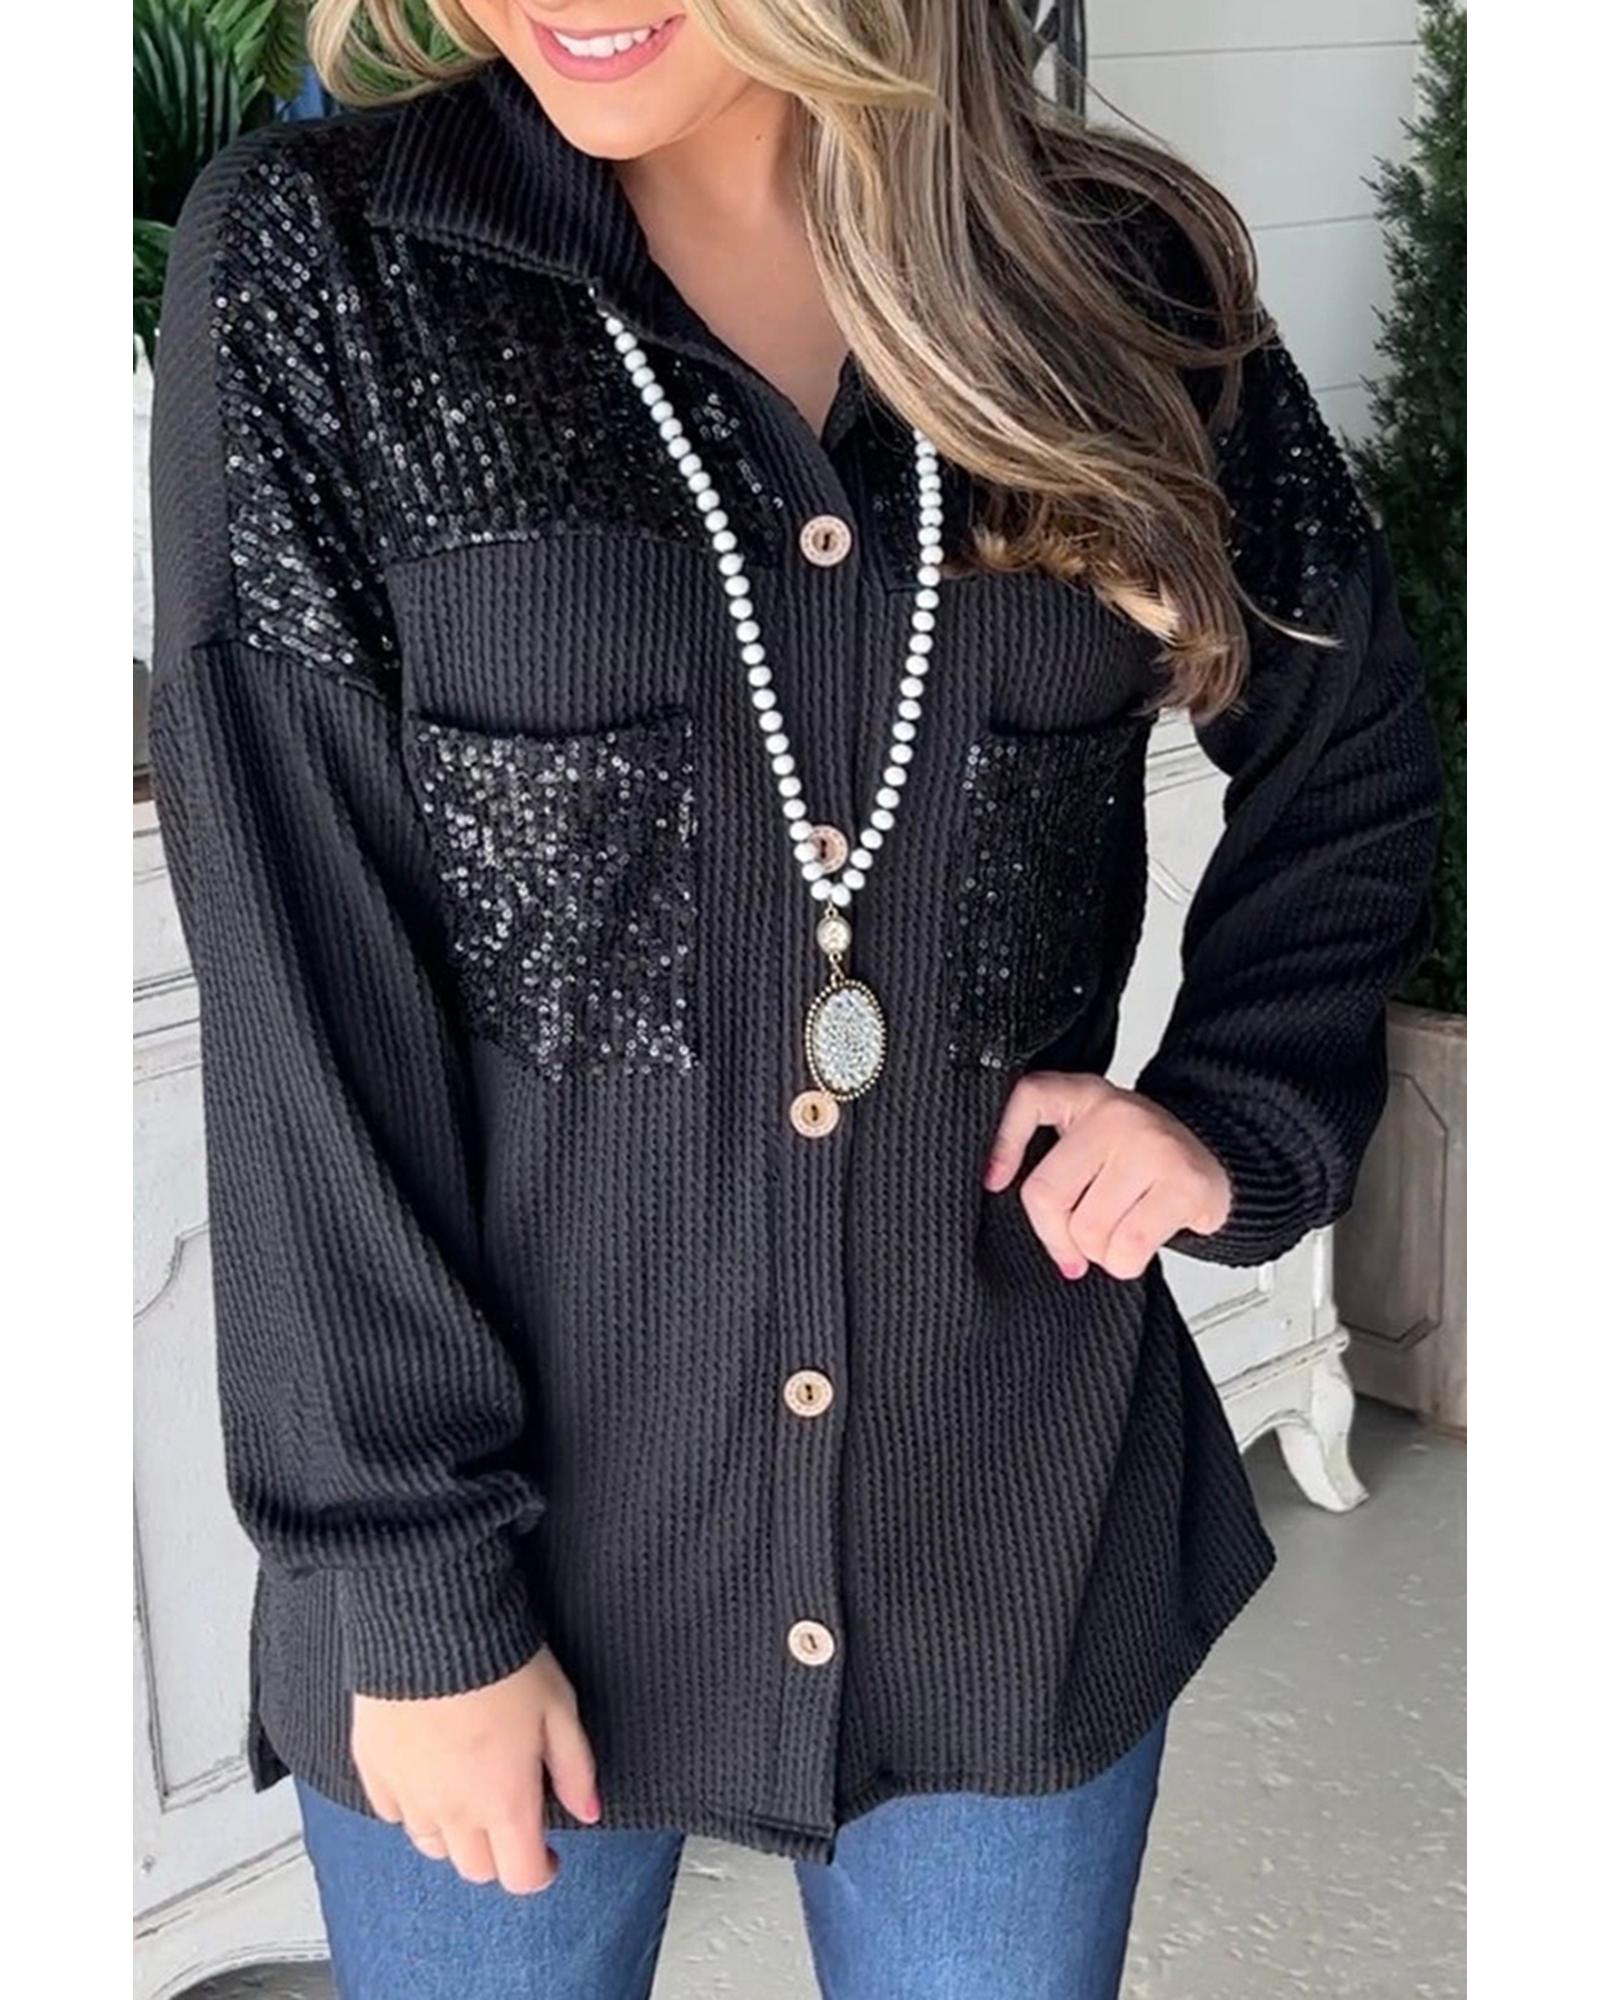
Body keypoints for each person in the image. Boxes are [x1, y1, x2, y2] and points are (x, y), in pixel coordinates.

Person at [146, 3, 1443, 1994]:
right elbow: (299, 994)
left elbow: (1347, 731)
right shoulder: (326, 263)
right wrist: (412, 1582)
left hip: (1003, 1536)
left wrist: (1237, 1108)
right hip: (509, 1565)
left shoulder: (1113, 280)